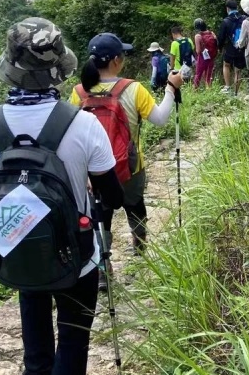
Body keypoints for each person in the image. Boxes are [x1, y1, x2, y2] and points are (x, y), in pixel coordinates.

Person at [0, 18, 125, 375]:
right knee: (74, 325)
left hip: (14, 244)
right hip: (76, 251)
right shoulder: (83, 123)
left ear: (10, 67)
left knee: (30, 296)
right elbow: (113, 194)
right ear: (60, 69)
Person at [70, 32, 183, 254]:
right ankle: (140, 248)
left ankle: (104, 266)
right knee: (135, 205)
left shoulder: (78, 93)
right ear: (115, 61)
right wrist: (171, 88)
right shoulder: (133, 88)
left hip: (93, 170)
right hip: (130, 166)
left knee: (102, 215)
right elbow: (160, 120)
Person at [216, 0, 246, 94]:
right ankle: (236, 92)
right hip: (241, 48)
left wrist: (219, 48)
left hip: (230, 47)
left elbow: (221, 37)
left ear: (227, 8)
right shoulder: (244, 18)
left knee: (226, 65)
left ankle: (228, 86)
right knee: (238, 70)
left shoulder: (226, 21)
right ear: (236, 7)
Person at [193, 19, 218, 89]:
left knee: (198, 75)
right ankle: (209, 90)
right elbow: (216, 44)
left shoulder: (198, 36)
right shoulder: (212, 33)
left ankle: (195, 91)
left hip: (202, 58)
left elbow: (198, 51)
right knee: (208, 77)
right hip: (211, 57)